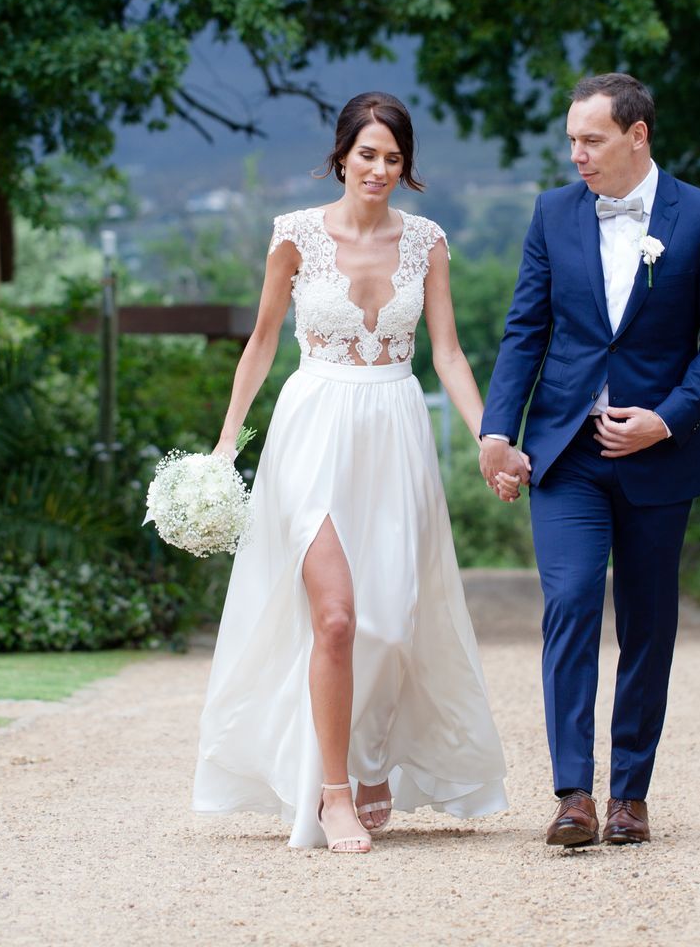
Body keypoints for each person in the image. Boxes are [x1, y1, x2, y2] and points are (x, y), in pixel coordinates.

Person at [193, 92, 510, 853]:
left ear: (406, 168)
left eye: (393, 158)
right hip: (313, 432)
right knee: (335, 618)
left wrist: (486, 437)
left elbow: (450, 354)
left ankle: (372, 762)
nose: (379, 169)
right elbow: (263, 342)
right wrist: (223, 447)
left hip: (395, 430)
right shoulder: (295, 236)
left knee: (391, 622)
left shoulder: (426, 242)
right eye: (367, 153)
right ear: (342, 155)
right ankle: (334, 792)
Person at [479, 72, 700, 848]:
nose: (577, 156)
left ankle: (629, 793)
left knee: (647, 624)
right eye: (571, 140)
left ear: (638, 135)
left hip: (659, 458)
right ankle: (572, 796)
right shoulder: (553, 213)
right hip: (566, 453)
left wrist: (665, 421)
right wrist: (501, 429)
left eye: (590, 140)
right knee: (567, 607)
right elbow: (524, 329)